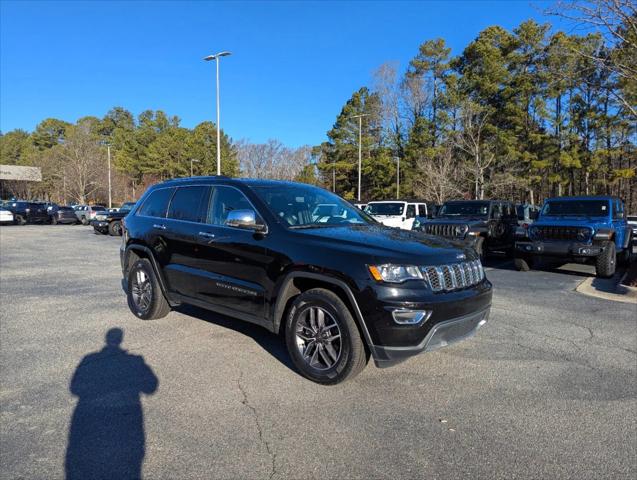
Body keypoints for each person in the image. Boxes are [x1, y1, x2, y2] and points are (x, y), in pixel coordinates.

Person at [65, 328, 158, 480]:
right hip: (130, 414)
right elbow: (151, 387)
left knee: (85, 462)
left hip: (89, 415)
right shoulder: (136, 361)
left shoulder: (89, 359)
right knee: (131, 462)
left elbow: (75, 388)